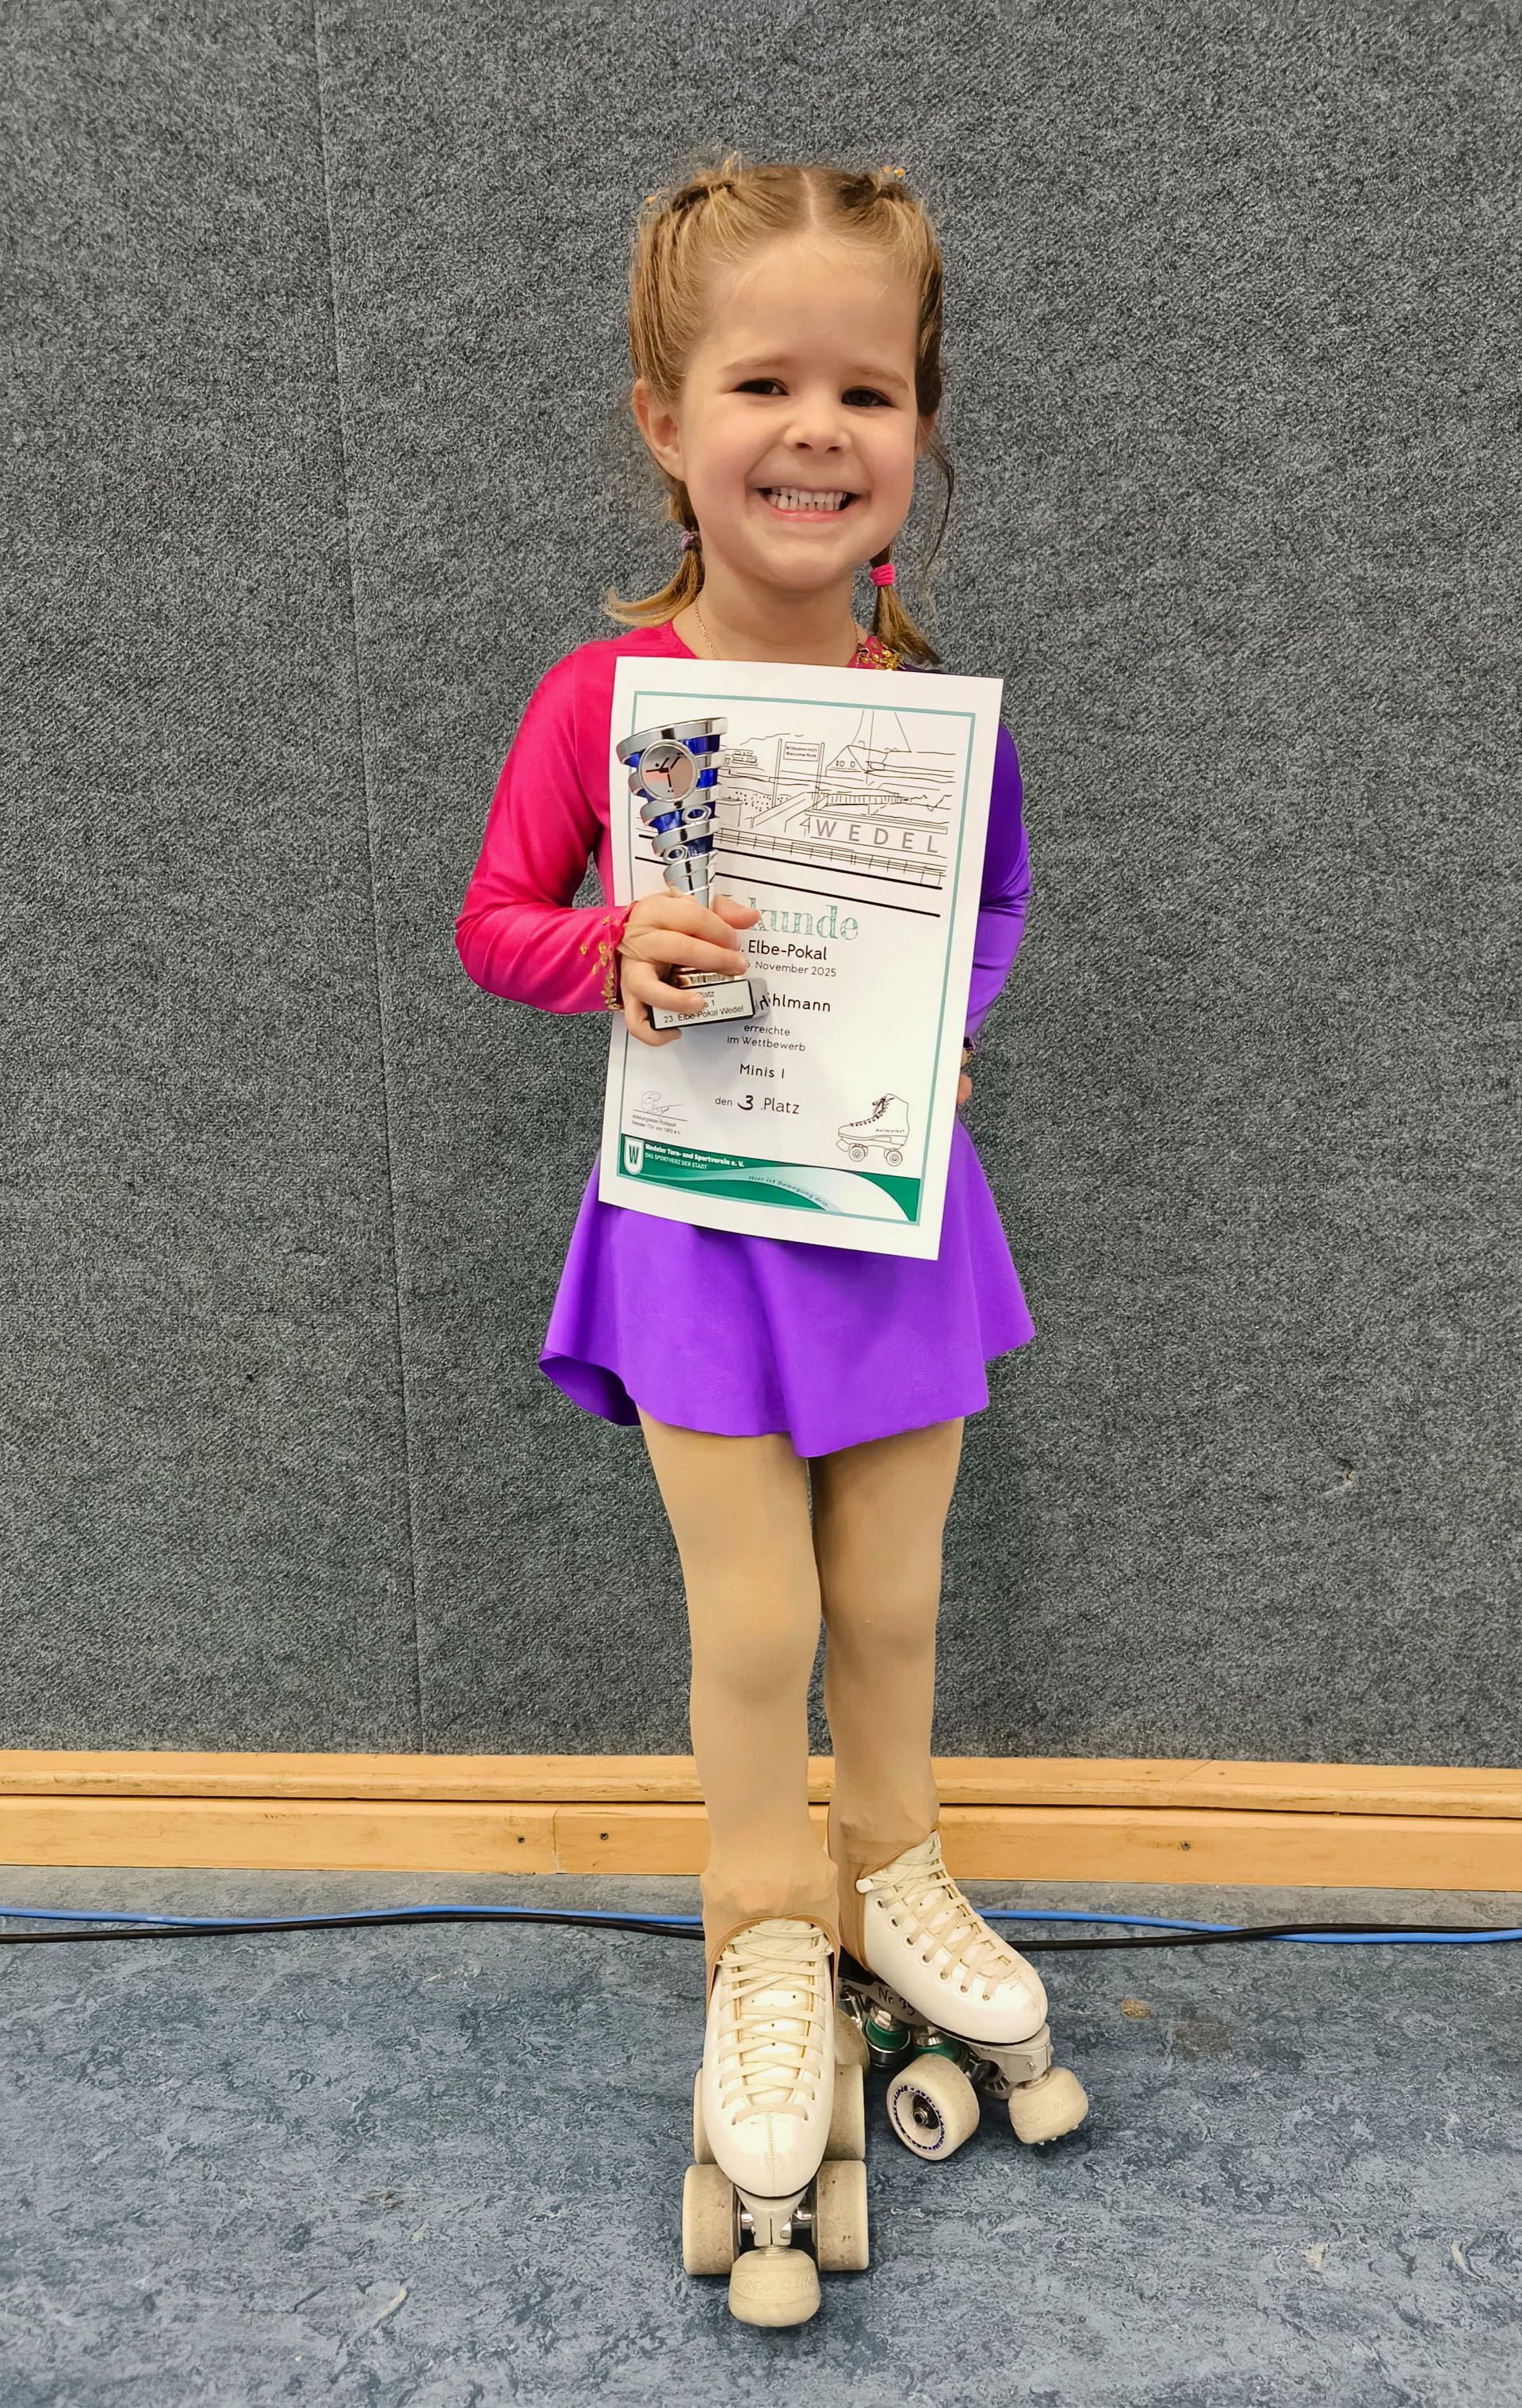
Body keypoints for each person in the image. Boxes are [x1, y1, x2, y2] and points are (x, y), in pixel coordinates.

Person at [454, 152, 1083, 2314]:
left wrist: (950, 1025)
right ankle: (763, 1942)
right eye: (762, 384)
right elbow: (498, 920)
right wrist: (609, 950)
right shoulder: (601, 701)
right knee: (755, 1628)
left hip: (892, 1219)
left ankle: (895, 1873)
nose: (817, 431)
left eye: (868, 391)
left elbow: (995, 902)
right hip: (700, 1236)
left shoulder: (934, 708)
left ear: (919, 429)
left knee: (891, 1603)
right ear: (665, 417)